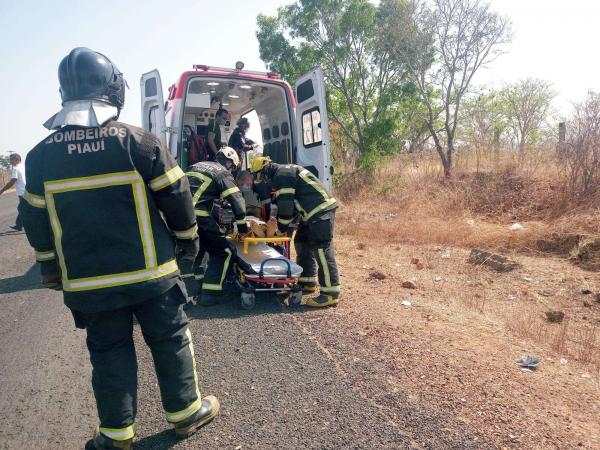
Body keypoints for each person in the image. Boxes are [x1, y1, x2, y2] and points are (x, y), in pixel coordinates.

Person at [19, 47, 219, 450]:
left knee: (108, 351)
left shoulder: (40, 158)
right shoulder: (138, 142)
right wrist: (187, 240)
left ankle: (115, 436)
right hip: (152, 277)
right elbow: (177, 196)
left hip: (90, 285)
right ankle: (185, 413)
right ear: (112, 90)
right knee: (170, 338)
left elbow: (35, 222)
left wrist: (50, 268)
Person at [250, 157, 340, 308]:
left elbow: (286, 208)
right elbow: (292, 205)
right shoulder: (283, 172)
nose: (262, 180)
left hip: (320, 211)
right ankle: (307, 281)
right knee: (302, 242)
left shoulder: (282, 175)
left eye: (260, 176)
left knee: (321, 249)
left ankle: (330, 293)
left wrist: (279, 231)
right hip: (310, 212)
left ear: (266, 168)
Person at [186, 147, 248, 306]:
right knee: (225, 251)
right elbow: (237, 203)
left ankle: (197, 287)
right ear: (229, 162)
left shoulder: (195, 166)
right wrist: (242, 230)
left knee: (200, 249)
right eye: (233, 167)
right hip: (197, 215)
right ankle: (211, 293)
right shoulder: (222, 172)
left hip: (178, 216)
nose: (232, 170)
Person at [0, 153, 26, 231]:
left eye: (11, 159)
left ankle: (23, 225)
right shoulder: (23, 166)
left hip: (22, 192)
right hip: (27, 190)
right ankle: (19, 225)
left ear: (16, 160)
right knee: (22, 208)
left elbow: (13, 181)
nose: (10, 161)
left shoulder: (15, 168)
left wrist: (2, 190)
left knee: (23, 209)